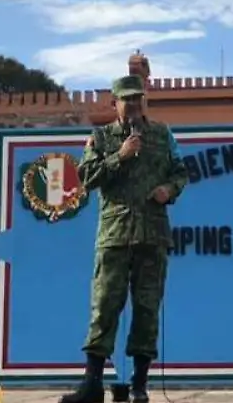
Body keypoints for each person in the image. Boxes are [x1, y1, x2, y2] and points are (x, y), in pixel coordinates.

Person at [61, 75, 189, 403]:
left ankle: (139, 386)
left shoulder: (162, 135)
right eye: (126, 99)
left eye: (137, 98)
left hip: (152, 235)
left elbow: (181, 172)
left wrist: (169, 190)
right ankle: (92, 385)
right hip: (115, 236)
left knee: (147, 309)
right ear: (114, 103)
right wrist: (120, 154)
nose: (133, 104)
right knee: (104, 306)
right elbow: (86, 178)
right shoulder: (100, 138)